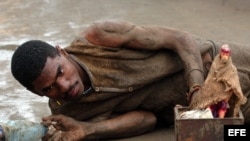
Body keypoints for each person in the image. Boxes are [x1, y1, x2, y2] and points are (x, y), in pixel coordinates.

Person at [10, 20, 250, 140]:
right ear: (38, 94)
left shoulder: (98, 38)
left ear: (62, 53)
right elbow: (147, 120)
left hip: (222, 63)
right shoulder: (72, 113)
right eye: (49, 88)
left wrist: (196, 87)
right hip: (211, 117)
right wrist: (88, 129)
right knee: (238, 134)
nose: (63, 87)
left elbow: (181, 40)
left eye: (60, 72)